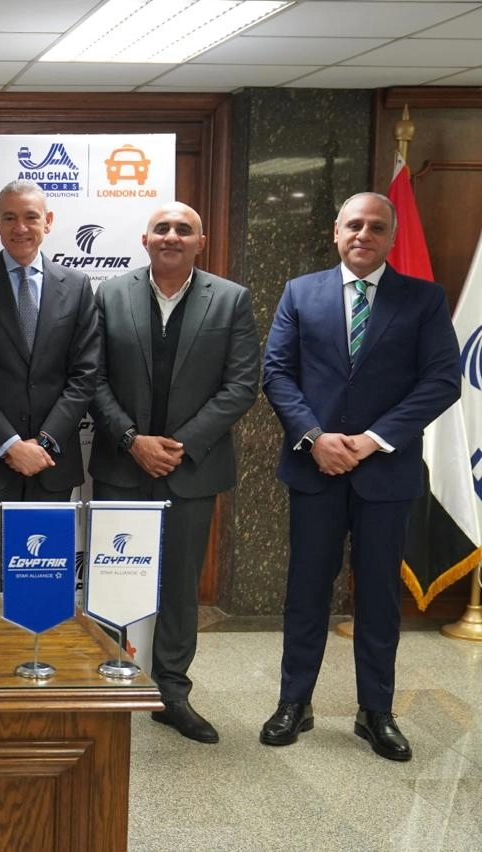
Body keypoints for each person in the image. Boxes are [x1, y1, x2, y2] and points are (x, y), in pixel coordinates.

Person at [260, 192, 460, 761]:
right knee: (305, 591)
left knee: (378, 596)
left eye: (376, 227)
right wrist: (315, 438)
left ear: (391, 237)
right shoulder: (301, 292)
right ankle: (294, 702)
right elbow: (277, 373)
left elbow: (441, 381)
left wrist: (372, 440)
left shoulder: (423, 299)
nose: (363, 235)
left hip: (386, 473)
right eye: (354, 225)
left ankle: (376, 711)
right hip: (315, 468)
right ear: (336, 231)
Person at [89, 201, 260, 744]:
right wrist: (131, 440)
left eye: (183, 230)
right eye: (161, 228)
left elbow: (241, 385)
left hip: (193, 469)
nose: (171, 236)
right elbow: (92, 377)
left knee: (181, 586)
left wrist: (178, 447)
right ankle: (106, 686)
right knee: (112, 582)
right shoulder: (110, 294)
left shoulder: (231, 299)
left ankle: (172, 694)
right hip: (122, 463)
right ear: (144, 239)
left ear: (200, 242)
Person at [0, 180, 100, 593]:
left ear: (48, 221)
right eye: (9, 218)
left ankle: (40, 641)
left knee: (43, 585)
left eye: (31, 217)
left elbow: (84, 375)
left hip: (51, 464)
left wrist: (44, 442)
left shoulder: (77, 285)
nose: (20, 227)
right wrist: (11, 444)